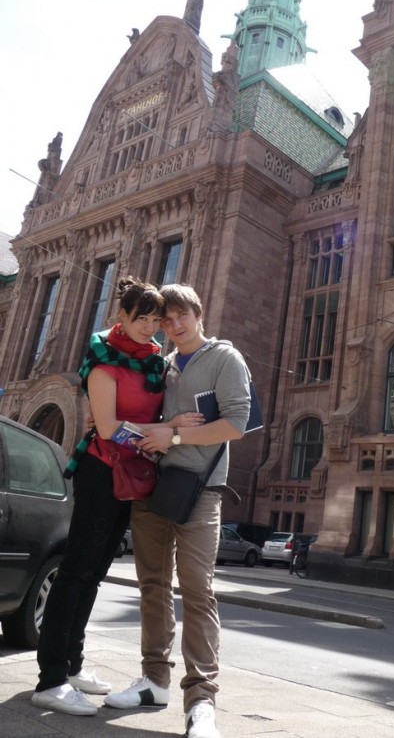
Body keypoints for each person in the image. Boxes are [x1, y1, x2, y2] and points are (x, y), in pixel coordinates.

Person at [32, 277, 199, 716]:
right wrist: (168, 428)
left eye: (153, 320)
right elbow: (108, 430)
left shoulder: (151, 361)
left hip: (131, 476)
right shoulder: (105, 362)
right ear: (120, 317)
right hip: (101, 471)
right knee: (75, 570)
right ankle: (49, 679)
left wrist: (168, 427)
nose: (148, 327)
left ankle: (71, 665)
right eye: (139, 318)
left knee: (95, 572)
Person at [104, 283, 252, 738]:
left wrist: (178, 438)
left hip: (201, 490)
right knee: (151, 584)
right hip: (152, 484)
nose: (174, 325)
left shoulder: (225, 358)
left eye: (181, 315)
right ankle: (154, 681)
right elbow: (143, 421)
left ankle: (201, 702)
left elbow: (237, 424)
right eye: (165, 320)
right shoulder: (161, 366)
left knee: (196, 589)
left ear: (198, 313)